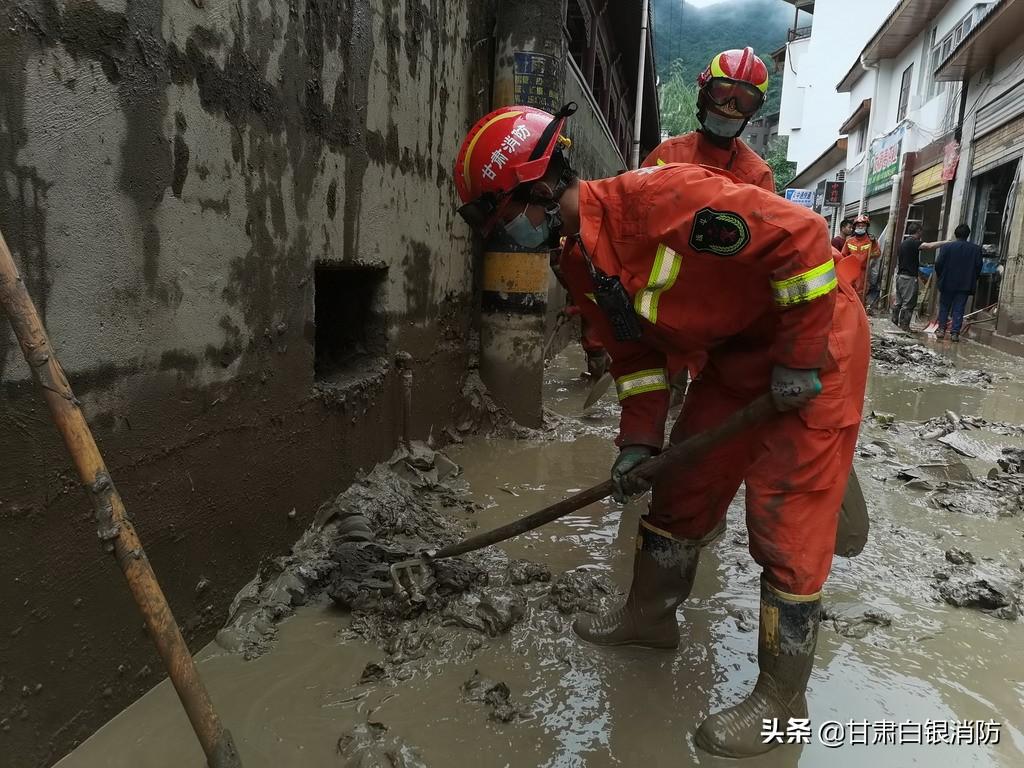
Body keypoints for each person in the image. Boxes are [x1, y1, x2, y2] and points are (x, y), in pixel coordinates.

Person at [453, 104, 870, 758]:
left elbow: (806, 240)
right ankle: (648, 619)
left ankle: (782, 696)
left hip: (813, 344)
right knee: (681, 488)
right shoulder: (578, 265)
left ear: (536, 188)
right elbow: (636, 358)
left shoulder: (663, 197)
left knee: (783, 514)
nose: (508, 232)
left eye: (505, 215)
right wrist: (640, 444)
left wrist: (797, 354)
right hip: (736, 354)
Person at [642, 48, 774, 192]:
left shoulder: (757, 175)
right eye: (722, 92)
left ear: (754, 109)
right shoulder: (667, 154)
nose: (730, 107)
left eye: (745, 99)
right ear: (703, 95)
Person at [891, 223, 950, 331]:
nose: (921, 233)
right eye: (921, 231)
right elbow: (929, 246)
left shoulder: (903, 243)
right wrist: (946, 242)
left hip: (900, 277)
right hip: (908, 278)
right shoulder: (913, 242)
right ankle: (904, 327)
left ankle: (894, 324)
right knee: (908, 304)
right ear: (918, 231)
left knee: (898, 302)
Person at [935, 224, 984, 342]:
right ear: (968, 235)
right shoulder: (976, 249)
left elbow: (938, 263)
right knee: (959, 308)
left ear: (956, 234)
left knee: (944, 306)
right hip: (965, 284)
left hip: (947, 282)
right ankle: (955, 333)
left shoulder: (947, 247)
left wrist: (941, 276)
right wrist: (973, 278)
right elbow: (978, 266)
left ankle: (941, 330)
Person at [839, 214, 880, 301]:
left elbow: (877, 253)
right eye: (858, 225)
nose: (860, 227)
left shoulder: (871, 241)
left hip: (863, 273)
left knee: (861, 294)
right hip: (850, 272)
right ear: (855, 227)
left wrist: (874, 244)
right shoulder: (849, 241)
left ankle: (860, 312)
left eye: (863, 226)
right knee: (848, 293)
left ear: (866, 227)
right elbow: (843, 256)